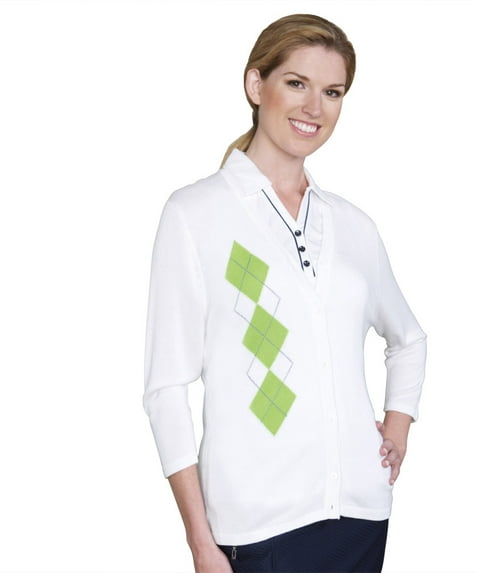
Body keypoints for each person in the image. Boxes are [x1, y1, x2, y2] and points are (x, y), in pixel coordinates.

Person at [143, 13, 426, 573]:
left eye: (332, 92)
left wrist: (398, 427)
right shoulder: (196, 214)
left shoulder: (352, 226)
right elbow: (165, 389)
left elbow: (409, 339)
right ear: (256, 84)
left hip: (361, 517)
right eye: (297, 83)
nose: (314, 107)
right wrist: (199, 541)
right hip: (256, 528)